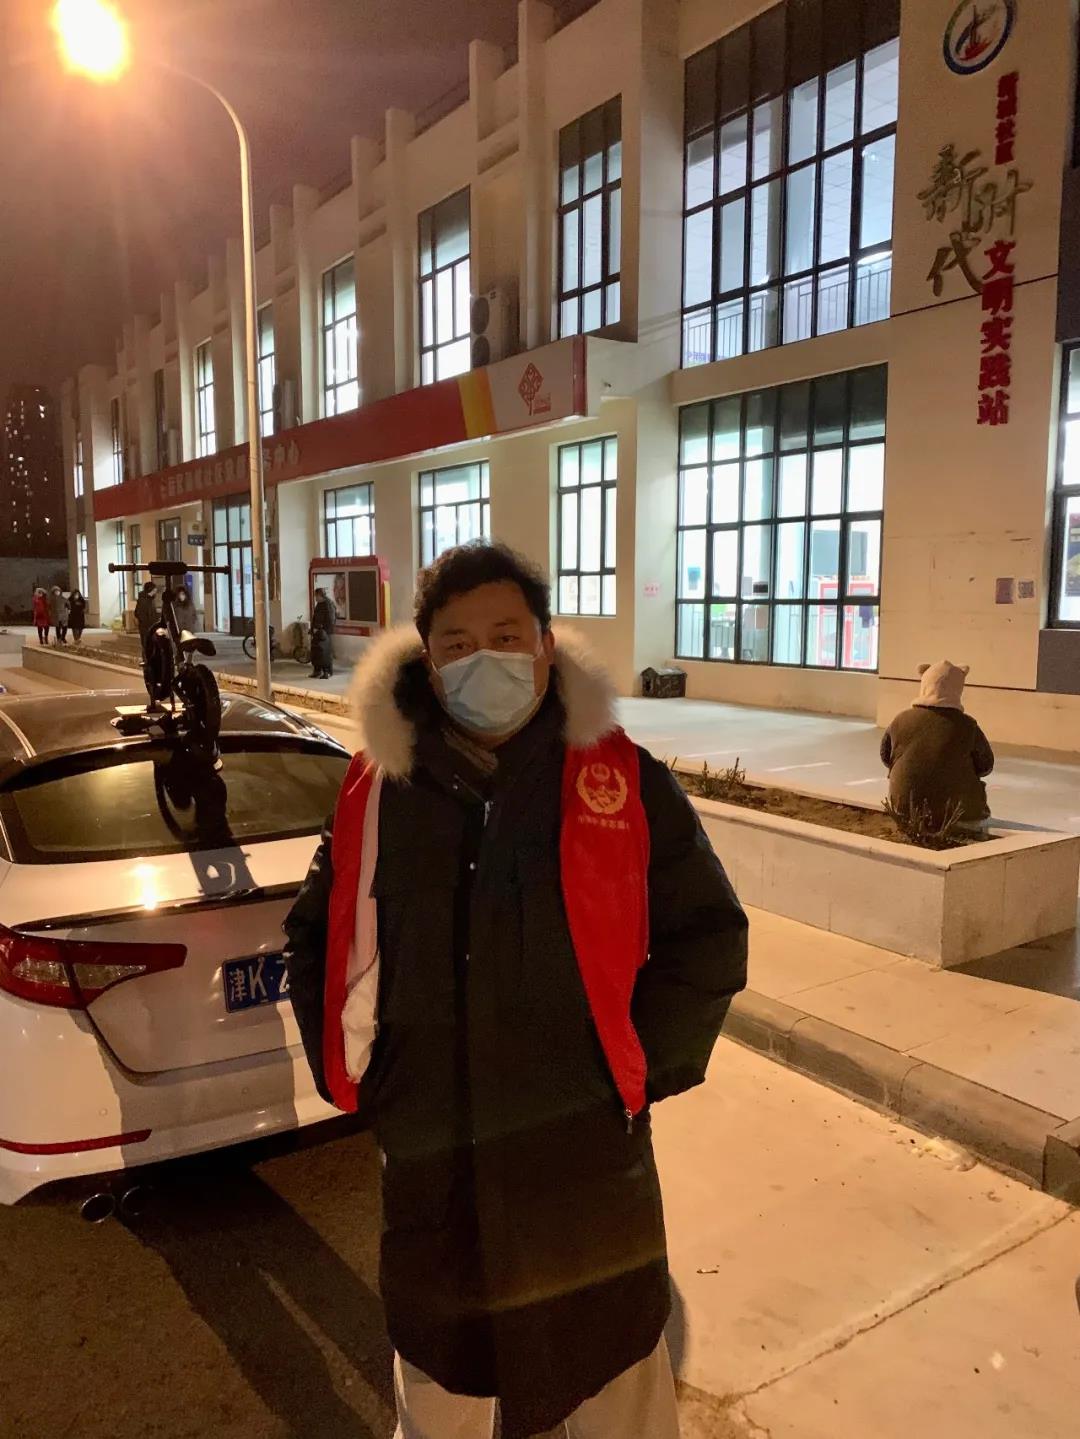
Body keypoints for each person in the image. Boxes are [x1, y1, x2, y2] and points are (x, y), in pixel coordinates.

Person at [283, 541, 748, 1439]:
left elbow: (710, 936)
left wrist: (631, 1073)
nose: (484, 659)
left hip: (587, 1182)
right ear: (428, 661)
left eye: (506, 635)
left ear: (545, 645)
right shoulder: (378, 792)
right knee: (440, 1399)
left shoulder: (620, 781)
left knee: (616, 1392)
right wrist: (376, 1086)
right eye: (458, 644)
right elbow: (316, 937)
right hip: (436, 1181)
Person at [880, 660, 995, 831]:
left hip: (903, 809)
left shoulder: (900, 719)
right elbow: (986, 766)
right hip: (957, 812)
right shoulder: (967, 725)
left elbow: (885, 756)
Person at [309, 585, 337, 680]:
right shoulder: (319, 604)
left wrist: (321, 628)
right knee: (316, 652)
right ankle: (317, 670)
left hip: (325, 633)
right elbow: (315, 618)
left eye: (316, 596)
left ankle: (327, 671)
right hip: (317, 632)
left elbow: (331, 620)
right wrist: (313, 629)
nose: (315, 598)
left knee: (325, 653)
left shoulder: (328, 605)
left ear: (321, 595)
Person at [135, 581, 159, 655]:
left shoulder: (151, 600)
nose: (156, 591)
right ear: (151, 590)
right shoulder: (143, 601)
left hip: (151, 628)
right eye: (155, 589)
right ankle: (146, 660)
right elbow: (139, 614)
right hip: (146, 629)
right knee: (146, 647)